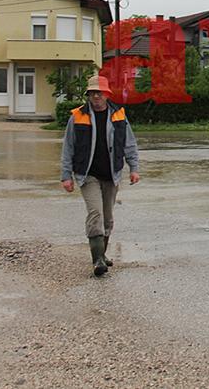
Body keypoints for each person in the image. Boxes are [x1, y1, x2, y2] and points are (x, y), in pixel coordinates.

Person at [61, 74, 140, 277]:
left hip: (111, 174)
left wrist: (134, 168)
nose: (96, 96)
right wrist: (66, 175)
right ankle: (97, 260)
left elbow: (129, 143)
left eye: (99, 92)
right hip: (87, 175)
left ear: (106, 94)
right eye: (92, 93)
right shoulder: (78, 116)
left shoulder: (119, 116)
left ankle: (102, 254)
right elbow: (68, 147)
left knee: (108, 219)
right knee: (95, 213)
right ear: (88, 95)